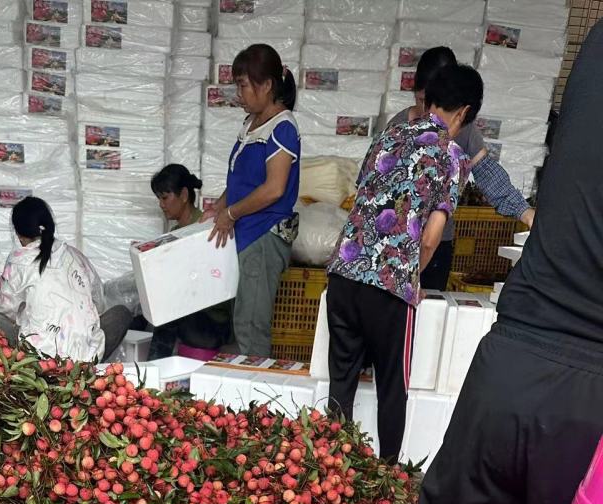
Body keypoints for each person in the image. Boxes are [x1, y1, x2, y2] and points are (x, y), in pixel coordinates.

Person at [292, 19, 603, 504]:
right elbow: (477, 214)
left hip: (508, 359)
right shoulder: (460, 152)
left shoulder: (594, 47)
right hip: (590, 399)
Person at [325, 63, 482, 463]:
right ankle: (387, 476)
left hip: (344, 274)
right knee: (392, 386)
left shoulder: (390, 134)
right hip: (388, 285)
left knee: (341, 383)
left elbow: (364, 192)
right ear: (463, 112)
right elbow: (430, 237)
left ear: (429, 98)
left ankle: (326, 469)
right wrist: (411, 273)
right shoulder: (450, 155)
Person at [389, 46, 535, 290]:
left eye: (440, 103)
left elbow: (486, 172)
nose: (431, 113)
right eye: (424, 101)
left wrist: (525, 211)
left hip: (436, 247)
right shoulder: (397, 128)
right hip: (395, 244)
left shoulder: (462, 133)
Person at [209, 43, 300, 358]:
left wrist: (231, 213)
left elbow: (274, 188)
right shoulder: (251, 125)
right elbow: (242, 181)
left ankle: (257, 396)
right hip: (245, 234)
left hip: (263, 234)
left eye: (243, 85)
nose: (239, 92)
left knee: (252, 323)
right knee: (242, 316)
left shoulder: (283, 128)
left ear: (267, 85)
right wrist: (219, 207)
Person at [0, 196, 130, 362]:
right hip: (87, 357)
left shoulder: (18, 260)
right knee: (122, 313)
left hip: (39, 359)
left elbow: (4, 309)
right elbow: (99, 302)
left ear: (18, 234)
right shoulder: (76, 256)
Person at [145, 163, 232, 358]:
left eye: (165, 197)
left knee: (166, 317)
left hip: (213, 322)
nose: (161, 204)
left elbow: (215, 284)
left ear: (184, 195)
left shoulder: (208, 230)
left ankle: (152, 376)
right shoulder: (175, 234)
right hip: (191, 315)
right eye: (159, 198)